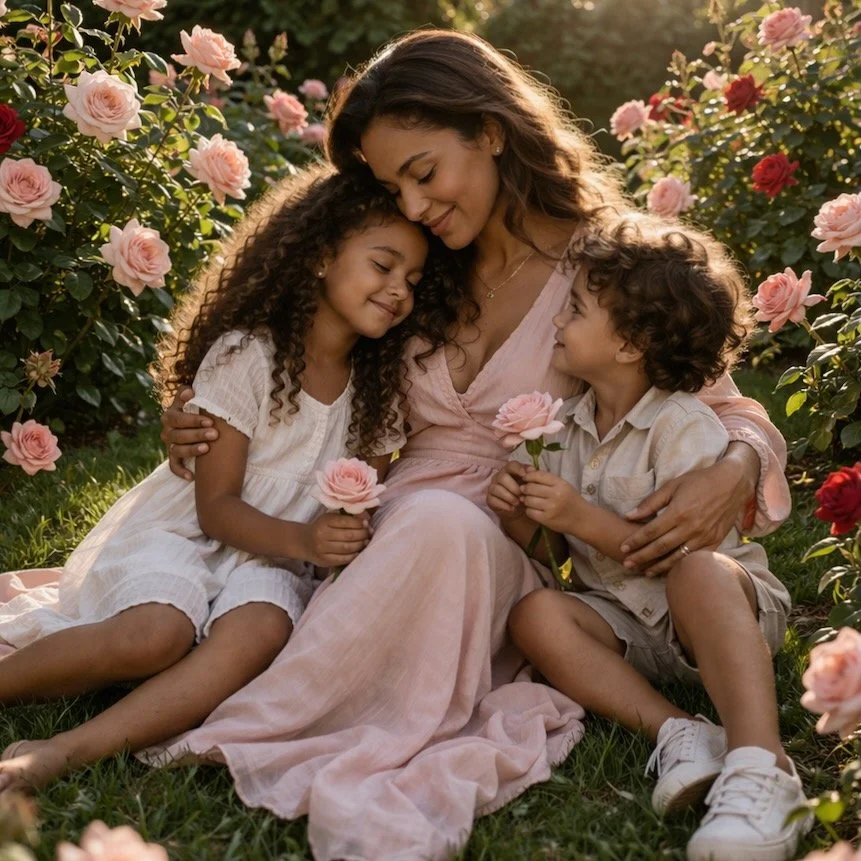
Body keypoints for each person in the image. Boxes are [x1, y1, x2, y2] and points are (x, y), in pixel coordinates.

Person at [102, 30, 791, 861]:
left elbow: (719, 401)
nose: (414, 203)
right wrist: (202, 409)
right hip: (379, 521)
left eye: (423, 172)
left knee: (439, 523)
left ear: (490, 131)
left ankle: (296, 703)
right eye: (395, 185)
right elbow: (298, 342)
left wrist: (735, 465)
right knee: (261, 595)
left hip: (495, 534)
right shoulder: (416, 265)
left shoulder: (604, 263)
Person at [0, 165, 431, 791]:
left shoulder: (379, 394)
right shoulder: (248, 354)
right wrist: (307, 541)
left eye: (413, 281)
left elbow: (357, 504)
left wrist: (337, 538)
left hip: (273, 563)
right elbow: (216, 508)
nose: (399, 291)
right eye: (383, 266)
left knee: (262, 630)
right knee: (158, 635)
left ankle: (64, 750)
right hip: (189, 537)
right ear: (320, 256)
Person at [489, 216, 805, 861]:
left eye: (576, 310)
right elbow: (556, 559)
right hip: (627, 622)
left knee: (700, 572)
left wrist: (576, 515)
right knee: (536, 614)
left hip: (717, 616)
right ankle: (680, 731)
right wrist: (522, 517)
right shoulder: (563, 429)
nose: (557, 321)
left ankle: (763, 763)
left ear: (630, 344)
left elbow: (677, 554)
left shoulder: (682, 424)